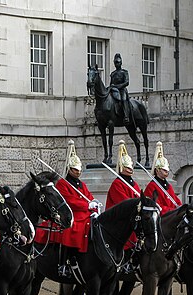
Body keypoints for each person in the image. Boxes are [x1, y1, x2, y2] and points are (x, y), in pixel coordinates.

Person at [143, 141, 185, 295]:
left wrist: (181, 209)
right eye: (163, 170)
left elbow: (175, 201)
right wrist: (173, 211)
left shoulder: (167, 185)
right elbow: (156, 206)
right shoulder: (153, 185)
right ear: (157, 171)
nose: (166, 173)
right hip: (159, 221)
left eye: (167, 171)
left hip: (170, 219)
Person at [50, 140, 100, 277]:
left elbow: (88, 195)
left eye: (79, 170)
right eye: (75, 170)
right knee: (72, 229)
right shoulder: (62, 183)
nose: (78, 172)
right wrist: (86, 205)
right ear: (69, 169)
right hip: (72, 214)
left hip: (85, 213)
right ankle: (64, 263)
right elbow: (69, 200)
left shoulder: (81, 184)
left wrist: (93, 203)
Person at [106, 140, 140, 258]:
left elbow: (139, 197)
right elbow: (123, 202)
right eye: (127, 167)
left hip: (133, 213)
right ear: (121, 167)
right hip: (122, 217)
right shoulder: (117, 184)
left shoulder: (133, 183)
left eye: (130, 167)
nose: (130, 169)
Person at [109, 53, 131, 124]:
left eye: (118, 62)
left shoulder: (124, 72)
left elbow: (127, 82)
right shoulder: (113, 73)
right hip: (114, 90)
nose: (116, 64)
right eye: (115, 62)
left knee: (123, 99)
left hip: (122, 90)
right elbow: (111, 83)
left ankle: (126, 116)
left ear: (121, 63)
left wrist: (118, 86)